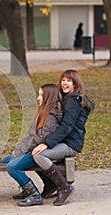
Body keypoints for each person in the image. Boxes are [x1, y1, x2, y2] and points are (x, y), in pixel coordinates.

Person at [32, 70, 95, 206]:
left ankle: (64, 187)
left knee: (39, 155)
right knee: (34, 152)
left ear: (75, 83)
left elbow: (66, 127)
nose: (64, 83)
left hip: (71, 144)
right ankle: (50, 185)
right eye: (63, 80)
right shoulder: (67, 99)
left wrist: (47, 144)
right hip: (63, 141)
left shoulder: (73, 102)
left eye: (69, 80)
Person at [4, 84, 63, 207]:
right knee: (6, 160)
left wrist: (21, 152)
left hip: (38, 153)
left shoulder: (51, 117)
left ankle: (34, 194)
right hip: (32, 149)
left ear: (48, 97)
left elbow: (38, 140)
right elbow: (31, 137)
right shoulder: (43, 112)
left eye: (41, 95)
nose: (38, 98)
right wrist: (18, 150)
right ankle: (35, 187)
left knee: (12, 166)